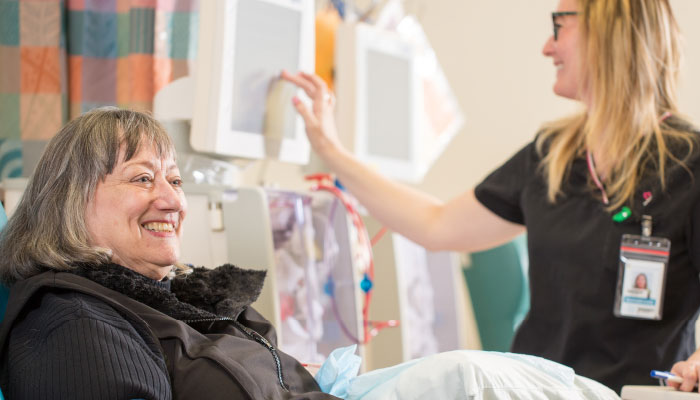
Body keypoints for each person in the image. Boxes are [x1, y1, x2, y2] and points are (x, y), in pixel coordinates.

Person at [282, 0, 700, 393]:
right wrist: (333, 153)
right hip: (529, 391)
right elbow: (436, 224)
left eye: (560, 26)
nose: (547, 46)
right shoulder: (551, 156)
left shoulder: (690, 168)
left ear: (611, 32)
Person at [0, 108, 338, 399]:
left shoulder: (179, 296)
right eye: (143, 178)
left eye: (175, 181)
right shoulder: (74, 330)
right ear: (71, 201)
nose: (174, 201)